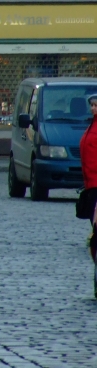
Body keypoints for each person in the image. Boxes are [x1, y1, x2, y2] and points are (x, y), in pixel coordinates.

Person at [79, 93, 97, 261]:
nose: (93, 108)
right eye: (92, 105)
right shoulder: (92, 125)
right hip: (90, 180)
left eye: (96, 106)